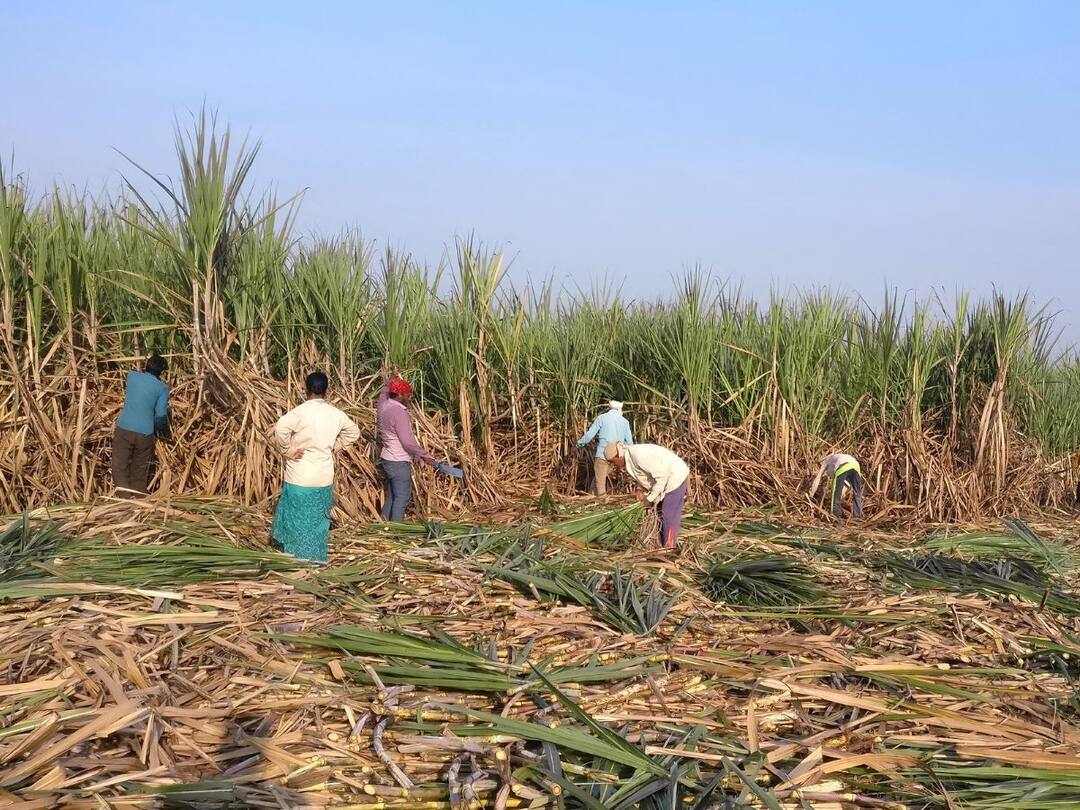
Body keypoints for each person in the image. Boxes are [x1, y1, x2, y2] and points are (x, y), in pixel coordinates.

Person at [271, 372, 361, 561]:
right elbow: (354, 432)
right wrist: (335, 448)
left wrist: (287, 450)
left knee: (297, 520)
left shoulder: (300, 412)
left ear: (306, 389)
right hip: (322, 476)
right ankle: (315, 561)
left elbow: (281, 428)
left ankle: (294, 561)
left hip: (300, 474)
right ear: (326, 391)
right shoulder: (335, 414)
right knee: (318, 521)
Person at [604, 441, 689, 549]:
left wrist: (649, 498)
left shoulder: (639, 456)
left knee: (668, 514)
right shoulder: (629, 458)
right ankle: (659, 543)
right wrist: (639, 489)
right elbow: (643, 474)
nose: (613, 465)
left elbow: (662, 477)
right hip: (665, 479)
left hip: (675, 477)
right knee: (659, 512)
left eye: (613, 461)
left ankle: (669, 547)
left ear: (618, 455)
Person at [377, 371, 434, 521]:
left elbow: (384, 393)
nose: (410, 399)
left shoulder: (384, 405)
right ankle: (397, 532)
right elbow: (407, 441)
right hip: (399, 460)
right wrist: (424, 454)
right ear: (400, 395)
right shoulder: (398, 412)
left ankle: (384, 526)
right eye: (408, 396)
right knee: (402, 498)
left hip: (388, 458)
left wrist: (392, 380)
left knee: (392, 495)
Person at [112, 353, 170, 498]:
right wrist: (158, 428)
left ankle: (125, 499)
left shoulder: (132, 376)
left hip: (124, 429)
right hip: (145, 434)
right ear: (161, 372)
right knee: (140, 470)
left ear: (147, 365)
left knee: (119, 466)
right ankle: (139, 502)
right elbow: (161, 415)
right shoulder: (162, 388)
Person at [576, 400, 634, 495]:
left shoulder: (602, 418)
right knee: (598, 479)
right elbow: (630, 443)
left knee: (600, 484)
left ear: (610, 408)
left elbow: (590, 435)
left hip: (602, 455)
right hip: (615, 457)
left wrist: (578, 444)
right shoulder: (625, 422)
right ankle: (590, 500)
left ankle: (603, 503)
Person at [809, 452, 863, 519]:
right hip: (856, 466)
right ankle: (858, 516)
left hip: (843, 466)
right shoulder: (836, 458)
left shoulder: (826, 461)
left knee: (835, 493)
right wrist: (841, 496)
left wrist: (810, 496)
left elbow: (818, 478)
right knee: (857, 493)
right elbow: (846, 484)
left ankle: (835, 515)